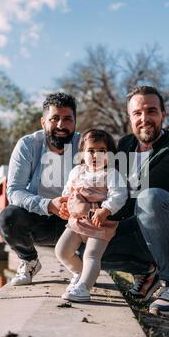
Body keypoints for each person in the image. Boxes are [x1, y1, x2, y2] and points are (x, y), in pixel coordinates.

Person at [101, 85, 169, 316]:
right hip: (140, 230)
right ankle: (146, 272)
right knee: (82, 248)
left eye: (151, 111)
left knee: (150, 197)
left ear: (163, 114)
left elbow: (141, 199)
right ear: (130, 117)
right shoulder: (124, 146)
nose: (144, 119)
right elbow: (114, 192)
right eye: (137, 113)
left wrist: (113, 223)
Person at [0, 92, 80, 286]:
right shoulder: (27, 145)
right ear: (43, 122)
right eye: (55, 119)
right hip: (38, 218)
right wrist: (48, 205)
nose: (61, 125)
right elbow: (14, 190)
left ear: (75, 122)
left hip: (75, 221)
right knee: (8, 218)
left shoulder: (86, 145)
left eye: (67, 119)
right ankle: (29, 261)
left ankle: (81, 264)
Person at [55, 129, 127, 302]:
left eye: (102, 150)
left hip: (99, 222)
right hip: (77, 221)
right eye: (91, 150)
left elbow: (119, 195)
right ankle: (80, 273)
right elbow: (67, 191)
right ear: (82, 153)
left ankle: (84, 288)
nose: (96, 155)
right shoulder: (77, 172)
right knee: (62, 251)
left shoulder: (111, 174)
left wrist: (106, 210)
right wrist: (64, 203)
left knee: (92, 255)